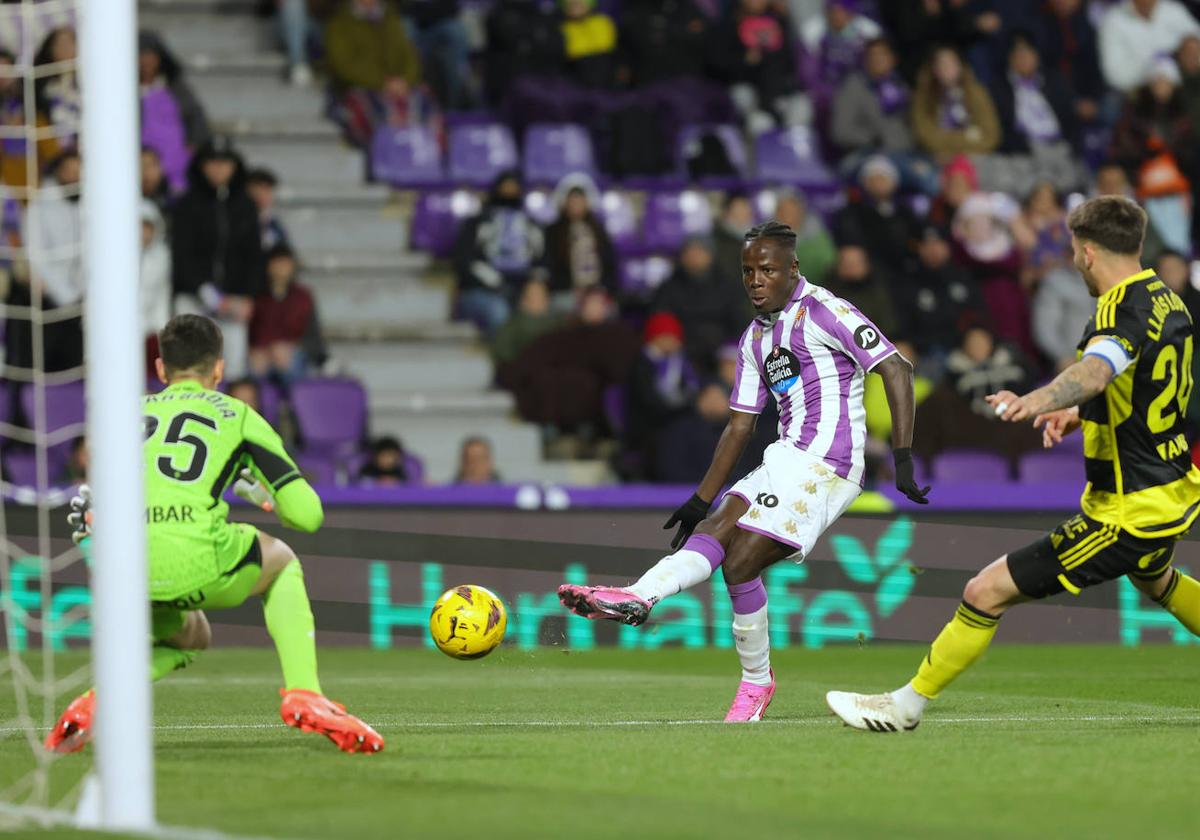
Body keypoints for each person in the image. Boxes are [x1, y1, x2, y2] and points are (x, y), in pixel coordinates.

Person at [827, 195, 1200, 732]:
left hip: (1129, 510)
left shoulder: (1119, 308)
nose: (1074, 261)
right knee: (1156, 580)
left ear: (1089, 252)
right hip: (1172, 488)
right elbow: (1142, 389)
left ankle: (904, 706)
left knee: (985, 591)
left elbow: (1098, 372)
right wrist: (1079, 414)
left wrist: (1040, 400)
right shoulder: (1170, 300)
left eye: (1074, 251)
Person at [557, 221, 930, 721]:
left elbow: (896, 368)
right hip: (783, 456)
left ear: (792, 269)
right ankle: (637, 597)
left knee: (739, 561)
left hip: (828, 464)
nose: (756, 279)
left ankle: (756, 683)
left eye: (767, 269)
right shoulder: (754, 338)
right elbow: (738, 427)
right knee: (713, 529)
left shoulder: (826, 310)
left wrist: (902, 456)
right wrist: (698, 498)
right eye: (748, 270)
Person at [45, 314, 382, 754]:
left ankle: (96, 702)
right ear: (219, 370)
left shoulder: (124, 416)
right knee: (282, 561)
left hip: (123, 567)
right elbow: (308, 515)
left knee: (191, 637)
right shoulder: (237, 415)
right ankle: (305, 692)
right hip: (198, 558)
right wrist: (273, 496)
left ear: (162, 370)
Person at [171, 135, 263, 379]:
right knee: (190, 368)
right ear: (202, 166)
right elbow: (182, 256)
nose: (219, 168)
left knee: (231, 372)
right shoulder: (186, 205)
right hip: (193, 299)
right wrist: (209, 295)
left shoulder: (246, 206)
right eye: (213, 162)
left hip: (234, 304)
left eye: (225, 162)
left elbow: (254, 255)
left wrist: (247, 297)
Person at [453, 169, 545, 336]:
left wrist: (533, 284)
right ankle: (503, 360)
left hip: (522, 288)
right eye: (505, 187)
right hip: (481, 290)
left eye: (514, 188)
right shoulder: (477, 223)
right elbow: (464, 261)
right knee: (499, 311)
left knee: (540, 312)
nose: (509, 192)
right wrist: (496, 283)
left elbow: (543, 261)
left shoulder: (531, 224)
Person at [325, 0, 424, 147]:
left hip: (398, 87)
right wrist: (382, 83)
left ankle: (424, 160)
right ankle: (385, 158)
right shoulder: (338, 23)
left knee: (424, 104)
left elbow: (410, 57)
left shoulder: (392, 19)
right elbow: (343, 66)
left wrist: (405, 81)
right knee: (374, 112)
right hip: (360, 88)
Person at [653, 235, 753, 373]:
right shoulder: (669, 287)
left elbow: (740, 323)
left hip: (720, 351)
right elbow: (661, 318)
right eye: (689, 252)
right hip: (682, 351)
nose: (694, 257)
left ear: (710, 255)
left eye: (699, 251)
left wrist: (730, 350)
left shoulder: (728, 286)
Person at [26, 150, 83, 372]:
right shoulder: (40, 206)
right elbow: (36, 257)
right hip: (47, 294)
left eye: (78, 171)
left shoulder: (90, 205)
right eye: (68, 170)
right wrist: (65, 294)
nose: (73, 176)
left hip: (82, 293)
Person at [138, 30, 211, 193]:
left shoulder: (175, 87)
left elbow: (197, 119)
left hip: (178, 166)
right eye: (141, 55)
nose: (145, 61)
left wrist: (191, 149)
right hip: (139, 164)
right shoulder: (123, 92)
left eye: (150, 55)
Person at [911, 45, 1001, 162]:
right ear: (934, 69)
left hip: (975, 156)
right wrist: (967, 137)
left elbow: (991, 137)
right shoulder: (923, 96)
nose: (946, 67)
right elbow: (925, 136)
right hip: (934, 159)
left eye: (951, 62)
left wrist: (955, 151)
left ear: (960, 66)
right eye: (941, 63)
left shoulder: (977, 92)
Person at [542, 175, 617, 309]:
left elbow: (609, 264)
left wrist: (601, 289)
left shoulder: (598, 231)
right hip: (566, 292)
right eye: (572, 200)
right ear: (564, 203)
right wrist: (569, 288)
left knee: (603, 309)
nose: (576, 204)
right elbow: (550, 266)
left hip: (596, 292)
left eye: (580, 200)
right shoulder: (553, 231)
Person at [249, 243, 317, 384]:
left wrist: (292, 348)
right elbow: (250, 333)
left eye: (285, 263)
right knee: (250, 369)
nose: (281, 268)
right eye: (277, 263)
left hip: (292, 355)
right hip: (261, 355)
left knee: (292, 363)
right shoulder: (256, 297)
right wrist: (258, 351)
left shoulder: (303, 297)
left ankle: (294, 404)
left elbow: (313, 338)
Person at [1099, 0, 1200, 94]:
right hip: (1138, 92)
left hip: (1186, 82)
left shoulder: (1173, 10)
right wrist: (1154, 73)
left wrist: (1188, 52)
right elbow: (1114, 76)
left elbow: (1195, 38)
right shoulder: (1113, 21)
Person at [141, 199, 172, 378]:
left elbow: (162, 296)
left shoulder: (162, 256)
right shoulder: (113, 256)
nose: (143, 233)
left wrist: (161, 330)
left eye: (148, 227)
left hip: (149, 330)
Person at [246, 168, 290, 252]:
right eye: (258, 189)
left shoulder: (274, 224)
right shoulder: (237, 221)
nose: (262, 195)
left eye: (267, 189)